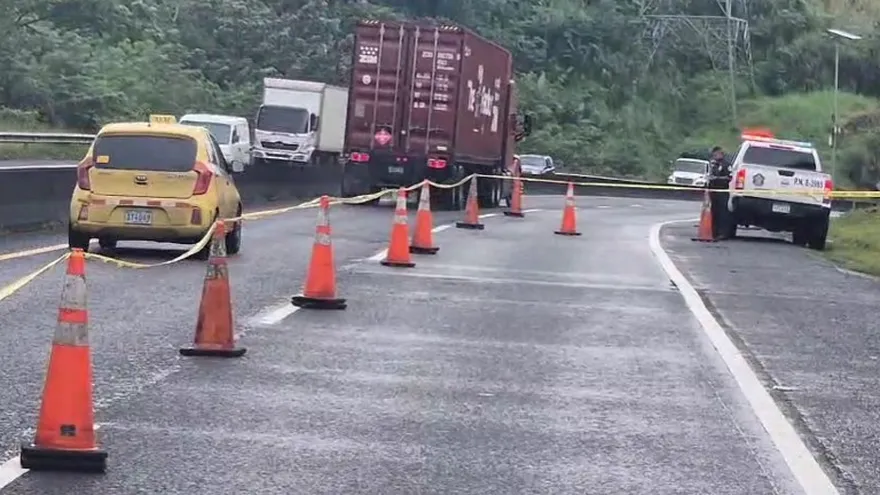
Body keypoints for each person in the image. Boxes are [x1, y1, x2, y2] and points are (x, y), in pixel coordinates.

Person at [707, 146, 733, 240]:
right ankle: (714, 232)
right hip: (713, 191)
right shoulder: (713, 165)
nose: (715, 156)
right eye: (714, 154)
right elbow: (709, 176)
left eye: (717, 153)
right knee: (714, 212)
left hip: (722, 191)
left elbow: (729, 177)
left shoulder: (726, 165)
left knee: (723, 213)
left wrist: (717, 179)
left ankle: (723, 233)